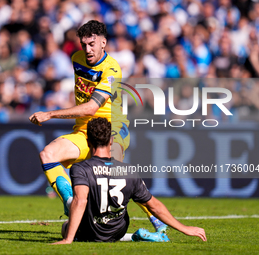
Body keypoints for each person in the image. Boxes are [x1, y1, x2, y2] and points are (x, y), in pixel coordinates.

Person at [29, 20, 166, 232]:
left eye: (92, 44)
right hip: (84, 132)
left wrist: (50, 114)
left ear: (104, 42)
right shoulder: (77, 59)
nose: (87, 49)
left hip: (111, 130)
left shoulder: (112, 69)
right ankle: (70, 203)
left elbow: (92, 107)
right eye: (84, 44)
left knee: (117, 175)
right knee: (48, 155)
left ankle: (159, 224)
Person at [52, 117, 207, 244]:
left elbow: (81, 201)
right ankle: (133, 237)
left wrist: (68, 239)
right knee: (111, 222)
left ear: (88, 141)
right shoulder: (128, 170)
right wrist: (185, 228)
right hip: (118, 229)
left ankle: (67, 200)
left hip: (89, 230)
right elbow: (154, 206)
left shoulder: (80, 168)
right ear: (111, 140)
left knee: (67, 223)